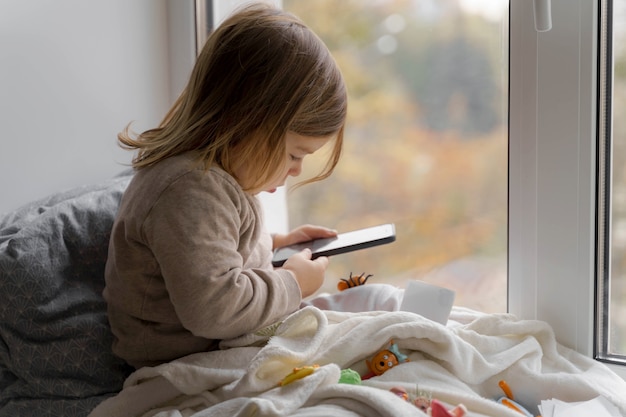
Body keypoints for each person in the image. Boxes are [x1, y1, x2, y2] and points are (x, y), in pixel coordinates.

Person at [103, 2, 355, 369]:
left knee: (372, 315)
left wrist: (275, 244)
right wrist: (292, 284)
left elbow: (210, 254)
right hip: (184, 368)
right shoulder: (188, 191)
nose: (296, 171)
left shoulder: (207, 182)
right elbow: (214, 308)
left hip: (220, 350)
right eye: (294, 155)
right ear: (246, 122)